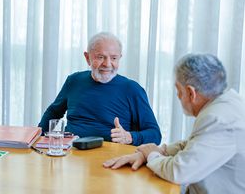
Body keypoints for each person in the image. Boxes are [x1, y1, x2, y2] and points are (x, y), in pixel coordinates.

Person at [103, 53, 245, 193]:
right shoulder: (227, 103)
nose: (178, 96)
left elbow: (179, 172)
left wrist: (151, 155)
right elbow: (192, 143)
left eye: (178, 91)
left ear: (191, 93)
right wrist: (158, 151)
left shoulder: (219, 119)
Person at [38, 32, 161, 146]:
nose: (107, 64)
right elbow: (53, 112)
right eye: (101, 57)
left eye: (113, 58)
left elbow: (155, 135)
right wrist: (36, 137)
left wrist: (130, 137)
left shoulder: (133, 89)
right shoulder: (74, 81)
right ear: (87, 58)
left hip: (111, 158)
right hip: (71, 151)